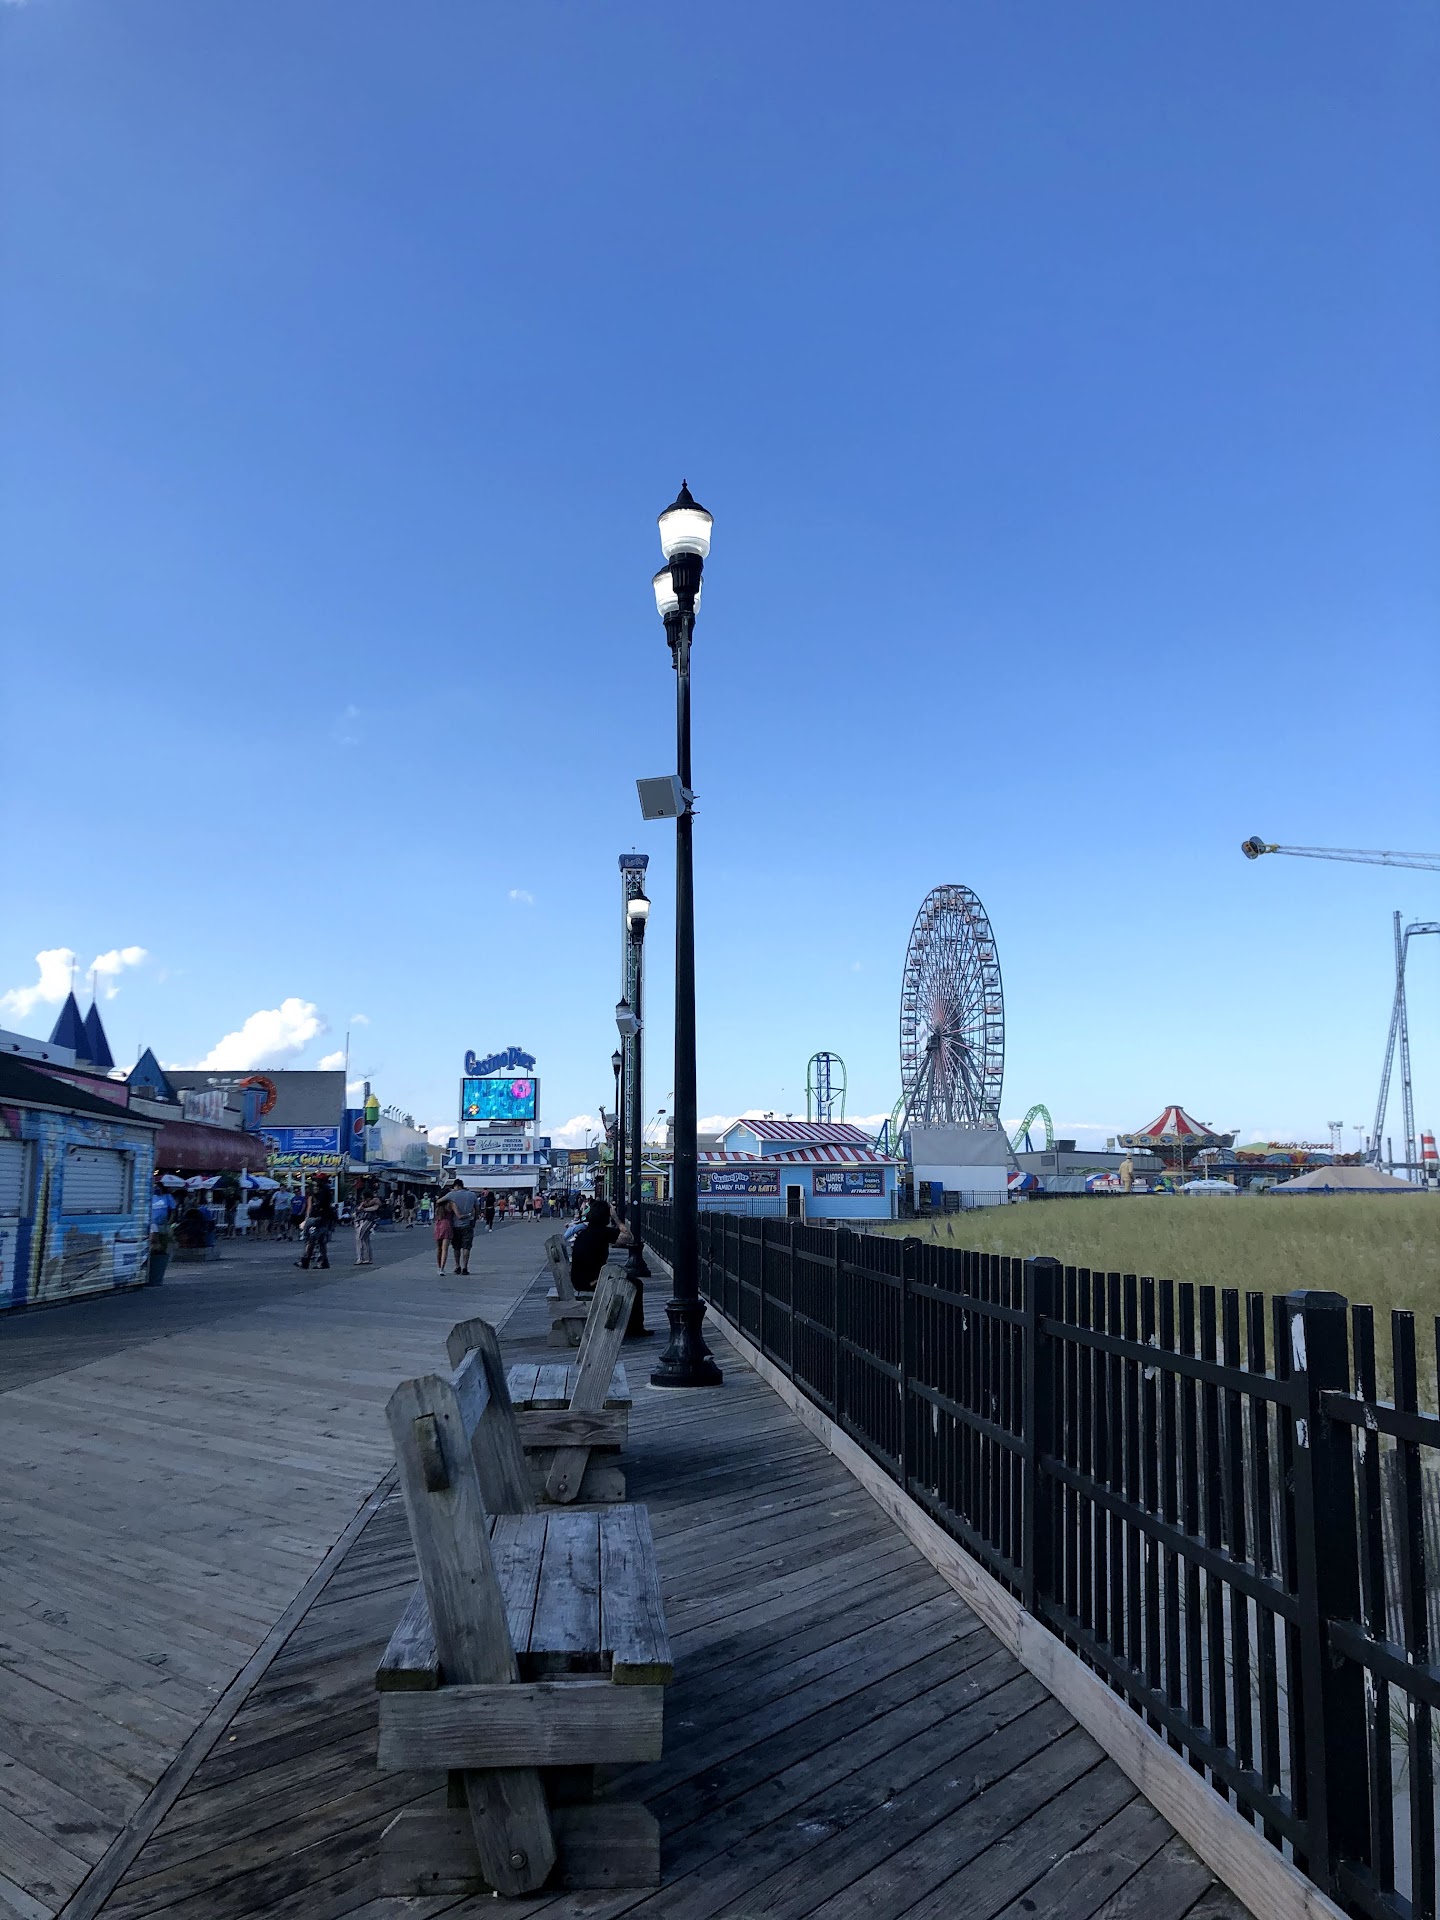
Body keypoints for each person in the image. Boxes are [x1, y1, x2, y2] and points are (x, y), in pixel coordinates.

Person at [568, 1198, 631, 1294]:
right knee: (635, 1284)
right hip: (592, 1282)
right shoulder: (603, 1232)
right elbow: (628, 1237)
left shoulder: (584, 1233)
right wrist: (615, 1218)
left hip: (578, 1281)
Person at [297, 1180, 337, 1269]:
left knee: (311, 1241)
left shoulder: (316, 1198)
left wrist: (307, 1220)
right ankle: (324, 1261)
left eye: (316, 1186)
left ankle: (306, 1261)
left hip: (316, 1221)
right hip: (323, 1220)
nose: (314, 1188)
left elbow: (310, 1210)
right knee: (321, 1242)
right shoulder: (325, 1198)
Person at [447, 1179, 479, 1275]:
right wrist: (474, 1220)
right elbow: (477, 1209)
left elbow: (439, 1201)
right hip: (468, 1224)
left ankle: (457, 1266)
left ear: (456, 1186)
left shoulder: (452, 1195)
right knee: (466, 1246)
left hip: (455, 1225)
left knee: (456, 1247)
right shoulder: (472, 1195)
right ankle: (465, 1267)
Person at [354, 1185, 381, 1266]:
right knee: (365, 1239)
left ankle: (361, 1258)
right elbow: (358, 1209)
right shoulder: (364, 1202)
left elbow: (375, 1208)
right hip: (364, 1220)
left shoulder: (375, 1201)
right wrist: (361, 1207)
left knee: (360, 1237)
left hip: (369, 1220)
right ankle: (367, 1258)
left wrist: (364, 1209)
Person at [433, 1185, 455, 1273]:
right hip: (447, 1225)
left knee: (439, 1248)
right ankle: (442, 1268)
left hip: (438, 1225)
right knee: (445, 1249)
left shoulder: (438, 1205)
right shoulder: (450, 1204)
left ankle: (439, 1267)